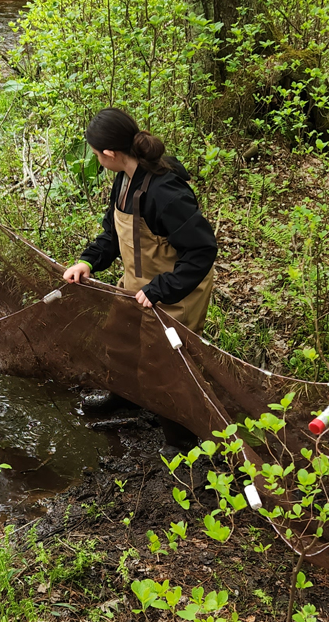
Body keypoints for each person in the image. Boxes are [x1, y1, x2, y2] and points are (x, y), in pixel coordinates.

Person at [63, 108, 217, 411]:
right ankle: (125, 399)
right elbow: (113, 233)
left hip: (176, 292)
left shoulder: (166, 192)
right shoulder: (123, 180)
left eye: (96, 154)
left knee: (164, 365)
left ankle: (179, 440)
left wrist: (161, 289)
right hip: (137, 284)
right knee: (119, 340)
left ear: (110, 152)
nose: (96, 160)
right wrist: (87, 262)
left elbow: (202, 250)